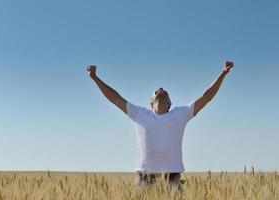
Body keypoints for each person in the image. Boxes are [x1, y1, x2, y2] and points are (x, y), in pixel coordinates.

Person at [86, 61, 234, 190]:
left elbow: (206, 97)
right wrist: (95, 78)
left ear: (170, 103)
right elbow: (115, 98)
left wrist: (223, 74)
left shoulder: (180, 114)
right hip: (144, 178)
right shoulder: (139, 113)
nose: (161, 88)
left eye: (165, 91)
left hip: (172, 178)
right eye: (156, 91)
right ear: (151, 103)